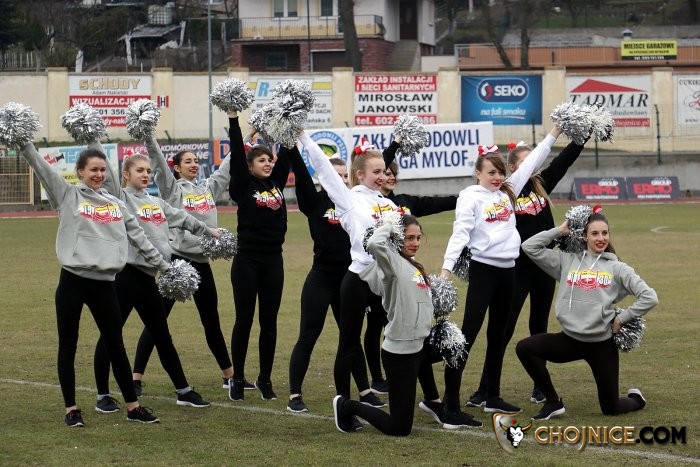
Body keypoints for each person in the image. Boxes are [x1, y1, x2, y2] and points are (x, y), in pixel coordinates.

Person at [18, 142, 163, 426]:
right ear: (80, 172)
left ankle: (133, 408)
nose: (98, 174)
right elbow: (42, 167)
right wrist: (25, 144)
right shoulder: (67, 194)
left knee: (115, 344)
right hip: (72, 282)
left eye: (102, 170)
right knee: (68, 344)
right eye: (93, 170)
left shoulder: (115, 203)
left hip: (105, 284)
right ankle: (71, 409)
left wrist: (165, 266)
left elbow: (139, 237)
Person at [440, 126, 562, 419]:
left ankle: (492, 396)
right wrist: (446, 269)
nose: (496, 177)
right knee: (468, 334)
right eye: (490, 173)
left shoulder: (507, 190)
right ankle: (450, 403)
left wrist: (554, 133)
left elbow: (533, 161)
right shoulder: (470, 197)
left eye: (499, 172)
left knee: (498, 335)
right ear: (477, 173)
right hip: (484, 272)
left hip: (509, 272)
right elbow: (460, 233)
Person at [92, 150, 217, 413]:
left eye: (148, 171)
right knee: (111, 334)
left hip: (149, 279)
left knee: (162, 335)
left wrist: (209, 231)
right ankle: (103, 395)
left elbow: (183, 218)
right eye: (140, 170)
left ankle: (183, 391)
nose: (146, 175)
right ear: (126, 174)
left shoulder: (156, 202)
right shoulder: (121, 198)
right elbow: (108, 173)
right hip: (126, 277)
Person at [467, 139, 587, 407]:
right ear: (512, 168)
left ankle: (540, 387)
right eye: (524, 162)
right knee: (503, 330)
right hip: (516, 269)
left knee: (539, 326)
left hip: (544, 267)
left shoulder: (542, 184)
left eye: (533, 160)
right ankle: (485, 389)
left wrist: (582, 136)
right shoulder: (506, 192)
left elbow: (563, 161)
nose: (532, 166)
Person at [517, 209, 658, 420]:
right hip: (569, 340)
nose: (601, 238)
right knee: (525, 348)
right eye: (594, 233)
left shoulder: (617, 268)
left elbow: (650, 297)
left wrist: (622, 318)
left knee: (611, 408)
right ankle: (553, 402)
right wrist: (560, 230)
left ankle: (637, 399)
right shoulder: (568, 261)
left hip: (601, 345)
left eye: (604, 233)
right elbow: (529, 247)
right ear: (584, 236)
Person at [298, 131, 393, 431]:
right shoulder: (349, 199)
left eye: (384, 171)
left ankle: (403, 395)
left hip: (387, 283)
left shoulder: (389, 206)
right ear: (359, 174)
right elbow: (324, 169)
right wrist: (303, 137)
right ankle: (343, 406)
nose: (382, 176)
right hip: (358, 280)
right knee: (349, 345)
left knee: (395, 339)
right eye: (376, 172)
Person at [333, 215, 462, 435]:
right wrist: (391, 224)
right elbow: (375, 243)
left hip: (419, 346)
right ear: (396, 238)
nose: (415, 243)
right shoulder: (390, 264)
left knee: (457, 346)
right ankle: (346, 405)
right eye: (409, 238)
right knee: (400, 428)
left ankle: (438, 403)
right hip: (400, 354)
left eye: (418, 238)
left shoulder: (412, 264)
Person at [132, 125, 236, 395]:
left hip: (202, 264)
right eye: (187, 161)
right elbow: (157, 163)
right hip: (177, 264)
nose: (194, 164)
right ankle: (135, 377)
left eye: (196, 160)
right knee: (157, 320)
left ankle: (230, 376)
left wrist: (244, 138)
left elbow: (227, 167)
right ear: (176, 168)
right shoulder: (173, 190)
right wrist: (148, 135)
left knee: (211, 321)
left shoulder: (207, 189)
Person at [365, 144, 459, 394]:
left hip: (405, 274)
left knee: (407, 330)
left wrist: (465, 198)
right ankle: (377, 378)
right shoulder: (368, 201)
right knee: (376, 325)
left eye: (393, 173)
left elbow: (433, 202)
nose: (390, 177)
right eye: (385, 172)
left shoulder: (404, 202)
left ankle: (430, 396)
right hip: (383, 271)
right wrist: (395, 144)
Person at [286, 150, 369, 413]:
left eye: (345, 176)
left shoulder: (354, 203)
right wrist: (291, 147)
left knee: (352, 337)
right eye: (336, 175)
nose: (342, 180)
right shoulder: (315, 202)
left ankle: (365, 391)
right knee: (308, 336)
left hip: (349, 279)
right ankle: (294, 395)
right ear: (324, 179)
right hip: (321, 278)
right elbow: (301, 175)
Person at [227, 112, 290, 401]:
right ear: (250, 166)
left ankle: (265, 379)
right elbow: (236, 157)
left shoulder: (276, 183)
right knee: (244, 320)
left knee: (269, 322)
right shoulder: (244, 185)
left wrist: (289, 121)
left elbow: (287, 153)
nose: (267, 163)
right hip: (247, 260)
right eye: (261, 160)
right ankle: (238, 379)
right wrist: (233, 120)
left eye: (269, 160)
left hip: (273, 260)